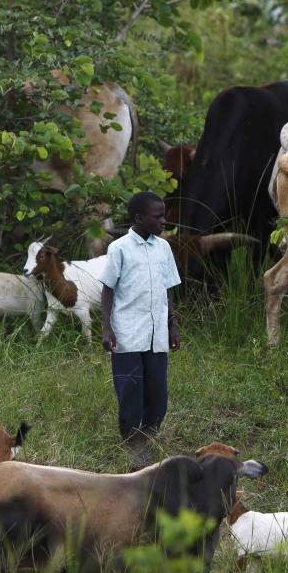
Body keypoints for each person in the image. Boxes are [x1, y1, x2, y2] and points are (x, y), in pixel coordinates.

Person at [99, 191, 181, 469]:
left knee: (158, 395)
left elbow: (168, 288)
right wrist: (106, 328)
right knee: (131, 391)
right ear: (138, 218)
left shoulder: (163, 248)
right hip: (128, 334)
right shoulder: (119, 248)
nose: (163, 221)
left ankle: (148, 437)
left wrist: (173, 324)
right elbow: (108, 288)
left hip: (157, 336)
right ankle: (135, 447)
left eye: (163, 215)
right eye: (157, 217)